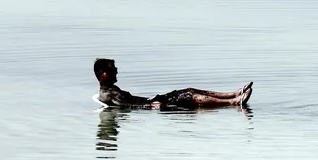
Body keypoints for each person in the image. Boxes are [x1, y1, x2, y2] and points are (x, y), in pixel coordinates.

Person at [94, 58, 253, 110]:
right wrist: (153, 106)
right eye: (112, 68)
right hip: (153, 105)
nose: (116, 70)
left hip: (150, 100)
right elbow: (126, 106)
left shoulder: (111, 89)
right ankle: (233, 103)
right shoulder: (108, 94)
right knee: (190, 96)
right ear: (103, 75)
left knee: (190, 90)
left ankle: (232, 94)